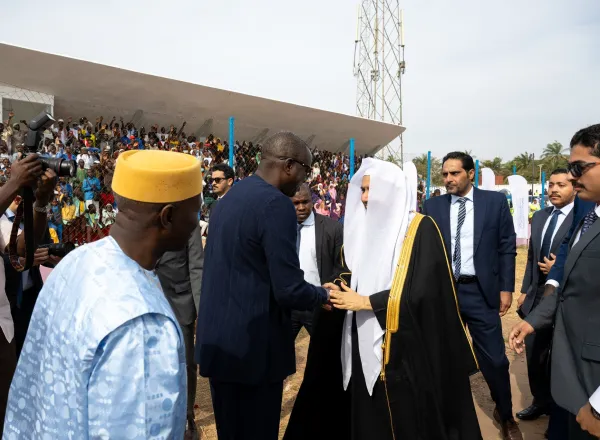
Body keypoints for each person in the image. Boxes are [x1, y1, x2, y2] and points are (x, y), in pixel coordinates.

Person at [2, 150, 202, 439]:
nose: (197, 223)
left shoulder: (75, 263)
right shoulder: (144, 324)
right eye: (194, 211)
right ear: (168, 216)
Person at [285, 158, 481, 440]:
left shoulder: (420, 229)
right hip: (359, 336)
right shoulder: (361, 228)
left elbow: (425, 292)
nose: (364, 197)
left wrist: (367, 303)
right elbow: (349, 269)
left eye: (370, 190)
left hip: (402, 347)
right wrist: (339, 286)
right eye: (362, 190)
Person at [195, 132, 331, 440]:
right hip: (254, 352)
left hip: (220, 347)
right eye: (305, 171)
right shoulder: (275, 205)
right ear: (288, 165)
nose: (304, 179)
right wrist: (323, 294)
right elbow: (288, 289)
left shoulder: (228, 200)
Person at [509, 124, 600, 439]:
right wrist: (537, 317)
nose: (573, 178)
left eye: (579, 168)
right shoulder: (588, 209)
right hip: (568, 372)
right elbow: (567, 258)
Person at [422, 152, 520, 440]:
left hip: (480, 292)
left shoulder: (494, 202)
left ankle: (506, 413)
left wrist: (506, 288)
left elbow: (506, 247)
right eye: (444, 174)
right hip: (444, 293)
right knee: (442, 357)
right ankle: (445, 416)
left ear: (470, 173)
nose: (449, 179)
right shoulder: (432, 206)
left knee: (496, 359)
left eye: (454, 173)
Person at [0, 155, 56, 434]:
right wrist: (13, 182)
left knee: (9, 414)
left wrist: (40, 203)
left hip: (3, 328)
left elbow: (21, 247)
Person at [516, 168, 575, 428]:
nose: (554, 189)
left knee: (560, 354)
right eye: (551, 184)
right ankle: (541, 401)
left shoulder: (582, 218)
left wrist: (559, 269)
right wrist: (525, 289)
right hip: (538, 295)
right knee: (534, 352)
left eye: (561, 185)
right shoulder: (540, 216)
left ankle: (562, 407)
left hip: (566, 295)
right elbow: (531, 257)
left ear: (574, 187)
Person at [155, 225, 204, 440]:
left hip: (180, 304)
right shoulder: (140, 212)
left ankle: (186, 416)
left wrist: (202, 312)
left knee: (185, 363)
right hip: (147, 301)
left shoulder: (188, 219)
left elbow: (196, 267)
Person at [289, 183, 344, 339]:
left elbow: (341, 266)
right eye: (295, 203)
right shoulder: (281, 228)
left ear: (312, 201)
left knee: (324, 355)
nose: (300, 207)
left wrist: (329, 295)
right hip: (289, 305)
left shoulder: (333, 229)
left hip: (319, 304)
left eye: (304, 202)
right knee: (280, 355)